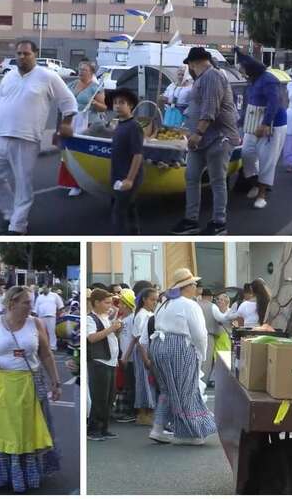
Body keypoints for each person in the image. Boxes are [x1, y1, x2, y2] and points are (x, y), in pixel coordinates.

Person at [0, 40, 78, 235]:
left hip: (27, 138)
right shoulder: (8, 76)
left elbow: (68, 101)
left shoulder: (48, 76)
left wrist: (65, 125)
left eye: (26, 53)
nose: (21, 57)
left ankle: (18, 226)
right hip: (1, 135)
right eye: (18, 53)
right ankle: (10, 213)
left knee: (22, 183)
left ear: (35, 54)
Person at [0, 286, 62, 493]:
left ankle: (23, 475)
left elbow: (46, 354)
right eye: (26, 303)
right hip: (0, 384)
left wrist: (56, 382)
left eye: (31, 302)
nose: (30, 307)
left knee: (26, 431)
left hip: (29, 384)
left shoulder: (36, 323)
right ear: (12, 303)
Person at [171, 47, 240, 236]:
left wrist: (198, 132)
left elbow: (210, 108)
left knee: (217, 180)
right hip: (200, 140)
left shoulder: (211, 76)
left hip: (218, 138)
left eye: (189, 65)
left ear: (193, 63)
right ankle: (191, 219)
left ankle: (219, 222)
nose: (189, 69)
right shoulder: (201, 79)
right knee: (191, 177)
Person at [148, 268, 217, 445]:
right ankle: (191, 433)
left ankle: (158, 428)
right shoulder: (190, 304)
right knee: (187, 389)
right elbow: (200, 334)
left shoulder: (164, 303)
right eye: (194, 283)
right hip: (178, 346)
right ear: (187, 286)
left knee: (167, 389)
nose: (196, 286)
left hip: (158, 345)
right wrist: (201, 355)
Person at [238, 50, 288, 209]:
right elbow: (249, 103)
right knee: (246, 153)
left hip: (273, 123)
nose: (241, 70)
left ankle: (262, 194)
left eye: (242, 67)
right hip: (252, 122)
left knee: (267, 159)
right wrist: (240, 121)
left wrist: (266, 123)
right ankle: (256, 182)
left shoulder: (268, 80)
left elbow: (274, 103)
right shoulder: (252, 80)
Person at [58, 60, 108, 197]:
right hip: (72, 121)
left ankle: (80, 183)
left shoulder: (95, 88)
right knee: (69, 152)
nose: (80, 72)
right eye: (79, 69)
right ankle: (70, 182)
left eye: (84, 70)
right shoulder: (72, 85)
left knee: (80, 153)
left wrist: (95, 103)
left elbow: (104, 107)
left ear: (91, 72)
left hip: (89, 124)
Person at [86, 288, 122, 441]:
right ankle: (94, 429)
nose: (110, 305)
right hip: (99, 361)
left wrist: (116, 330)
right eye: (106, 302)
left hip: (111, 360)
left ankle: (104, 428)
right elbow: (92, 338)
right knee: (99, 397)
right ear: (96, 302)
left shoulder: (106, 317)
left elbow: (110, 335)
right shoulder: (90, 319)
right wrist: (111, 329)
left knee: (109, 397)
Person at [109, 88, 145, 235]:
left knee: (118, 212)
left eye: (122, 103)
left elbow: (138, 155)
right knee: (129, 207)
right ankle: (134, 233)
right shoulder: (120, 124)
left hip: (128, 175)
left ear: (130, 106)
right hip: (117, 174)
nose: (117, 106)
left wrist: (129, 179)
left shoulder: (134, 127)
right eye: (115, 103)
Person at [131, 287, 159, 426]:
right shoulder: (141, 315)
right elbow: (139, 340)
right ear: (144, 299)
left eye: (156, 300)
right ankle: (142, 414)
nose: (155, 302)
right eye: (152, 299)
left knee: (150, 383)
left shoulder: (149, 314)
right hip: (143, 353)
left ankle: (149, 413)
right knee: (144, 383)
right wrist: (145, 358)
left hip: (149, 352)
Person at [114, 289, 137, 423]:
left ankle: (131, 412)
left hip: (130, 356)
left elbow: (134, 339)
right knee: (126, 384)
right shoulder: (123, 319)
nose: (119, 306)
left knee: (130, 384)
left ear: (127, 304)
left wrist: (126, 356)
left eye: (122, 303)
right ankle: (127, 410)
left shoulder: (132, 318)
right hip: (124, 354)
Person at [34, 286, 65, 351]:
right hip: (41, 317)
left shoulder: (54, 295)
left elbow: (60, 305)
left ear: (49, 288)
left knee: (51, 332)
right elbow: (35, 308)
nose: (44, 289)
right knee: (42, 332)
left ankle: (53, 346)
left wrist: (62, 312)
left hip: (51, 316)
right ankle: (42, 346)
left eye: (46, 288)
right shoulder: (39, 297)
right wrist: (34, 316)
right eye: (43, 288)